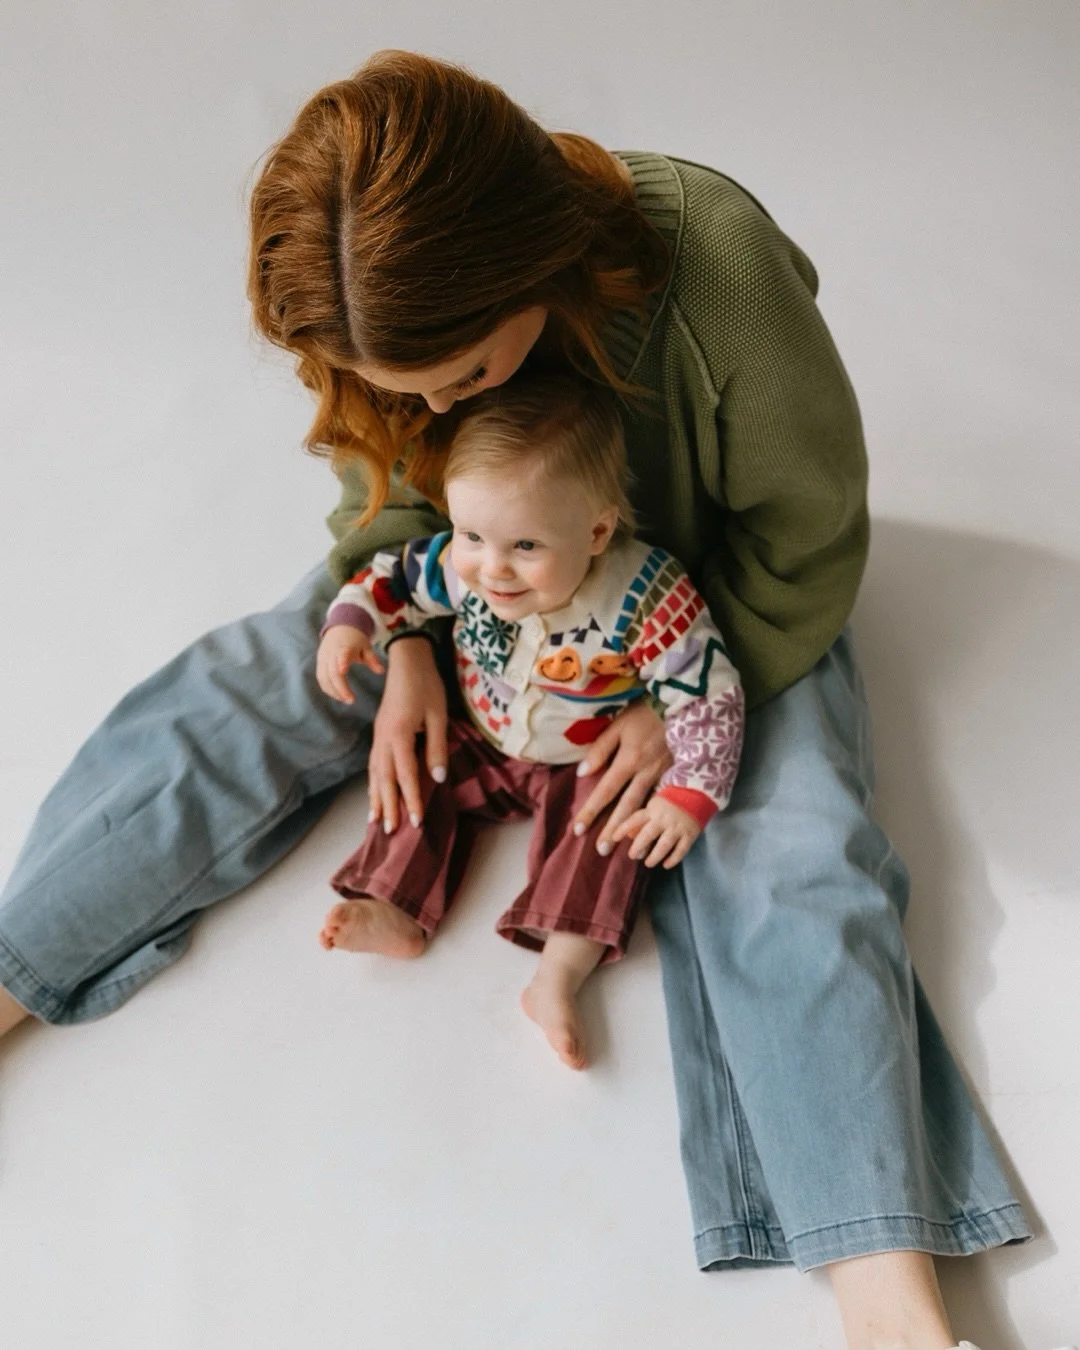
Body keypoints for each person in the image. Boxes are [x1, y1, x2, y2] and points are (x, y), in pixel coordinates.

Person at [0, 49, 1036, 1350]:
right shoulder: (384, 341)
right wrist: (415, 645)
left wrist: (678, 706)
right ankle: (10, 970)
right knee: (244, 694)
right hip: (470, 591)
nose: (429, 410)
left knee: (794, 853)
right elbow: (385, 505)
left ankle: (890, 1290)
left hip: (712, 610)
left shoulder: (711, 261)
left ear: (528, 271)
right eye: (406, 394)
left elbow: (808, 532)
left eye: (461, 378)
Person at [314, 375, 744, 1070]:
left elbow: (708, 694)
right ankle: (395, 900)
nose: (494, 569)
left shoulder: (645, 593)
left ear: (598, 529)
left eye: (526, 547)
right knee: (415, 772)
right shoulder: (466, 565)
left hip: (588, 756)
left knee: (612, 828)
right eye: (473, 533)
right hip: (483, 732)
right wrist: (351, 624)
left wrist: (689, 794)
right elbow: (391, 580)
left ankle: (560, 973)